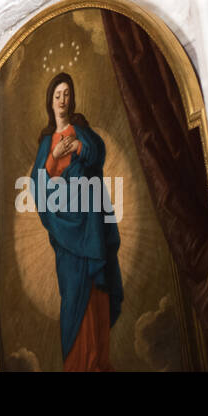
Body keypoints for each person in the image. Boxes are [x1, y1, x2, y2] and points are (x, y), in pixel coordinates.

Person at [28, 71, 122, 370]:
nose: (62, 100)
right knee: (72, 295)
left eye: (67, 94)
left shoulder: (80, 129)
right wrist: (54, 156)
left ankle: (97, 361)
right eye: (57, 95)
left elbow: (98, 152)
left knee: (94, 291)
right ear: (50, 101)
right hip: (65, 232)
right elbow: (37, 184)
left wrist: (79, 147)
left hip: (89, 226)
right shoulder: (46, 142)